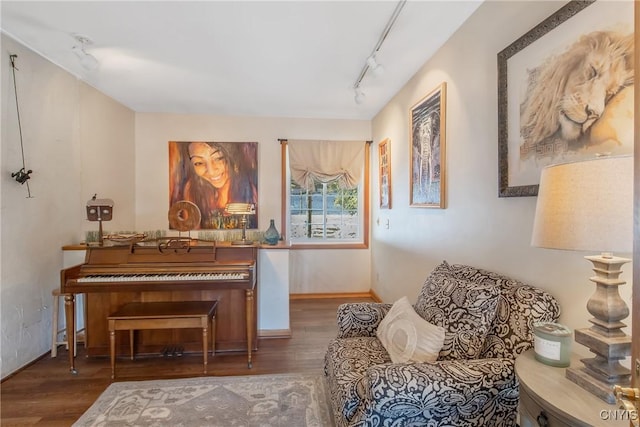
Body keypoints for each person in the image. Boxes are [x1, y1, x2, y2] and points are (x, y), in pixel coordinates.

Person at [174, 141, 257, 229]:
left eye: (218, 158)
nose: (211, 171)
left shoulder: (251, 185)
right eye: (199, 163)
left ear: (232, 156)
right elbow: (192, 236)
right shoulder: (192, 188)